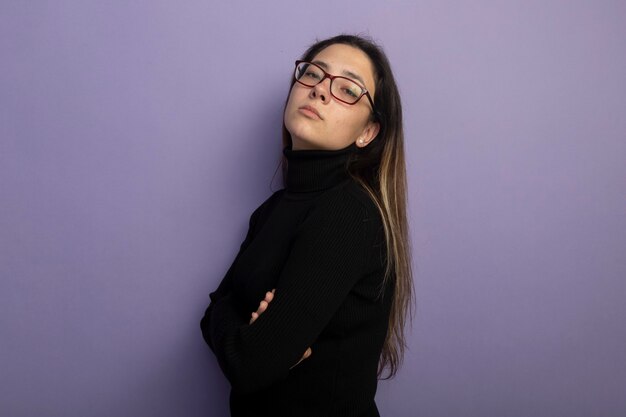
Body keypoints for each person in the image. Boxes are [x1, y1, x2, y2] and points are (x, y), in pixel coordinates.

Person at [200, 34, 413, 417]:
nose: (319, 91)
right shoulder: (272, 210)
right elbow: (211, 314)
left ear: (368, 132)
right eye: (312, 74)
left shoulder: (348, 213)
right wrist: (248, 328)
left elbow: (249, 365)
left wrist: (249, 333)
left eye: (348, 89)